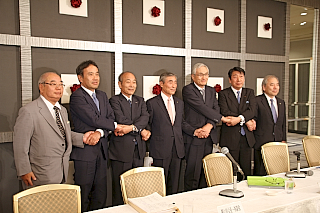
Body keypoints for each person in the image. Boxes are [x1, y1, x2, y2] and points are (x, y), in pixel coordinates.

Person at [13, 72, 91, 190]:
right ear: (41, 87)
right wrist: (24, 170)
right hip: (39, 173)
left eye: (61, 84)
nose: (58, 88)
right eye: (53, 84)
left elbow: (63, 134)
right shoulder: (29, 111)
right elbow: (20, 145)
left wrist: (83, 138)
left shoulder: (62, 110)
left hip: (62, 170)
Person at [70, 60, 118, 211]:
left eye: (97, 74)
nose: (95, 77)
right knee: (84, 195)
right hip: (85, 152)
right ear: (80, 78)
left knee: (100, 195)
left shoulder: (103, 96)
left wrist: (100, 132)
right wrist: (115, 127)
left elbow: (110, 118)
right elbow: (93, 119)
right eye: (90, 74)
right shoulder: (77, 97)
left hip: (102, 152)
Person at [146, 72, 201, 195]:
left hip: (177, 149)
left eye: (175, 82)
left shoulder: (179, 103)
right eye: (170, 82)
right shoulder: (152, 103)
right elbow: (147, 124)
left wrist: (194, 131)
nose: (174, 85)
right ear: (161, 84)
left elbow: (181, 123)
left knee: (175, 184)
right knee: (159, 185)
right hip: (160, 150)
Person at [182, 63, 229, 191]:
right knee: (193, 173)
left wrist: (209, 126)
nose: (204, 77)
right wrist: (222, 118)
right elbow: (201, 108)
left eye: (206, 74)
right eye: (200, 74)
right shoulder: (188, 90)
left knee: (206, 172)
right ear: (193, 76)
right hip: (194, 137)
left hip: (208, 136)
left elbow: (215, 109)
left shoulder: (211, 90)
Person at [109, 71, 150, 206]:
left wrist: (132, 128)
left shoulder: (140, 100)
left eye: (134, 82)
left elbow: (145, 118)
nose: (132, 85)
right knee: (120, 188)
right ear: (120, 84)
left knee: (136, 187)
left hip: (138, 150)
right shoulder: (114, 100)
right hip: (121, 151)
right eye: (128, 82)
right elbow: (120, 119)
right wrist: (139, 129)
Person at [218, 67, 256, 178]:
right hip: (230, 138)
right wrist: (245, 119)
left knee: (247, 170)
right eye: (235, 77)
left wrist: (239, 119)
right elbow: (225, 111)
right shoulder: (223, 94)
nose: (238, 80)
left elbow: (252, 110)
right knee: (232, 170)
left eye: (241, 77)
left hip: (246, 138)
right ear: (230, 80)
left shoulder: (249, 92)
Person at [254, 75, 286, 175]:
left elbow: (283, 123)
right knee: (261, 172)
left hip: (277, 141)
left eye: (277, 85)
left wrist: (283, 139)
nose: (275, 87)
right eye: (272, 85)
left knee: (276, 171)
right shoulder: (257, 101)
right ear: (264, 87)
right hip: (262, 142)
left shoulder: (281, 102)